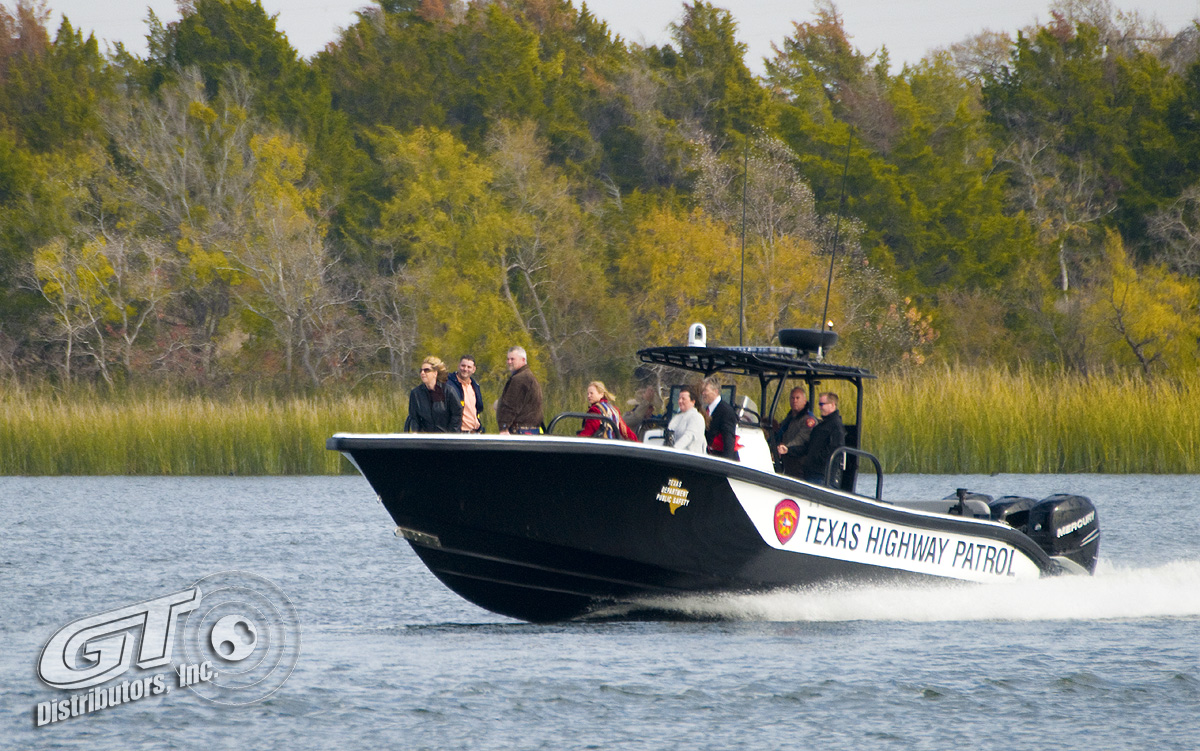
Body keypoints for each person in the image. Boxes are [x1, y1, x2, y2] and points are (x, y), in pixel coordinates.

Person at [798, 392, 846, 485]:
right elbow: (810, 446)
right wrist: (789, 450)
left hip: (822, 475)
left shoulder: (836, 426)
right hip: (812, 472)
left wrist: (816, 459)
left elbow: (834, 449)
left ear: (832, 405)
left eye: (822, 404)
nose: (819, 407)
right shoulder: (822, 425)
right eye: (819, 404)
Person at [405, 356, 462, 433]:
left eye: (426, 370)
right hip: (425, 439)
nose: (422, 373)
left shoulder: (448, 391)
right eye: (421, 370)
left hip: (446, 438)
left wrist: (451, 435)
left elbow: (457, 414)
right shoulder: (416, 393)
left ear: (435, 373)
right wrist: (417, 436)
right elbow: (414, 418)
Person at [496, 346, 543, 435]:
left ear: (523, 360)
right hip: (530, 430)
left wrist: (504, 427)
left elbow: (511, 405)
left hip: (520, 431)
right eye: (508, 359)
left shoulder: (520, 379)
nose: (509, 362)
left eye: (512, 359)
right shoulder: (528, 376)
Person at [775, 387, 818, 478]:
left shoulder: (808, 420)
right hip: (787, 461)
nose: (794, 401)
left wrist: (786, 447)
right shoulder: (790, 418)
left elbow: (801, 439)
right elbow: (782, 432)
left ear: (804, 401)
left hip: (799, 461)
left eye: (797, 398)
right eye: (792, 398)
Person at [700, 378, 740, 461]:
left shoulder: (726, 411)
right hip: (711, 456)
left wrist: (726, 463)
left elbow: (729, 440)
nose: (703, 393)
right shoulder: (708, 409)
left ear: (715, 391)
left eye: (705, 390)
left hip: (722, 459)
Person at [445, 354, 485, 433]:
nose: (465, 369)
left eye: (469, 367)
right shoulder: (449, 385)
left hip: (475, 432)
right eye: (463, 366)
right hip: (459, 432)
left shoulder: (475, 386)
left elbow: (478, 408)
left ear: (474, 369)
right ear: (458, 366)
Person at [665, 385, 706, 453]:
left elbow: (688, 436)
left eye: (683, 399)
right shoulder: (677, 417)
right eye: (679, 398)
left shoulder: (696, 417)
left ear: (693, 401)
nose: (680, 401)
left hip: (690, 459)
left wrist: (674, 450)